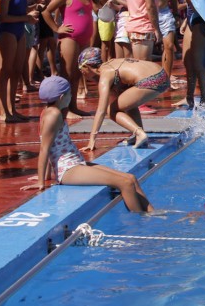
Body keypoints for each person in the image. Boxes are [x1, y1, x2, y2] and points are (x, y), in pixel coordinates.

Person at [25, 75, 153, 213]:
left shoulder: (54, 111)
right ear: (62, 97)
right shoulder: (53, 115)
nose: (71, 97)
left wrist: (46, 176)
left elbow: (52, 146)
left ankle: (153, 213)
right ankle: (140, 221)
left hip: (75, 163)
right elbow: (45, 148)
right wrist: (41, 182)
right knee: (125, 183)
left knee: (131, 178)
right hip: (67, 170)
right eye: (70, 94)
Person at [78, 46, 169, 150]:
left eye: (81, 70)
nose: (82, 74)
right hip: (162, 74)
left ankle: (139, 133)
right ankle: (139, 135)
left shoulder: (105, 74)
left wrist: (92, 139)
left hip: (150, 80)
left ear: (86, 67)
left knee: (111, 111)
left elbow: (101, 111)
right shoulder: (112, 62)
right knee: (128, 105)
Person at [42, 0, 95, 118]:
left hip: (84, 39)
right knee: (68, 73)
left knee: (78, 74)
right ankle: (64, 109)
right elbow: (46, 11)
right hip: (70, 38)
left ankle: (73, 106)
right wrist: (57, 28)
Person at [0, 0, 41, 122]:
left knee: (16, 70)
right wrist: (26, 17)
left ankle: (12, 109)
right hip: (7, 31)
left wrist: (32, 9)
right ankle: (3, 111)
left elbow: (20, 9)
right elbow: (3, 17)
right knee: (6, 70)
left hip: (19, 30)